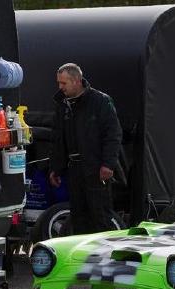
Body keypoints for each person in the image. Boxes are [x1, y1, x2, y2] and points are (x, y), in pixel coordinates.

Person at [48, 63, 122, 234]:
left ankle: (104, 255)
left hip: (96, 168)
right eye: (59, 83)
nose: (60, 87)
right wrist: (55, 168)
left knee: (100, 216)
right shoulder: (63, 105)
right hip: (74, 169)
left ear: (76, 81)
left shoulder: (100, 101)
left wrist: (108, 164)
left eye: (63, 83)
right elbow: (58, 139)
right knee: (78, 217)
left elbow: (113, 134)